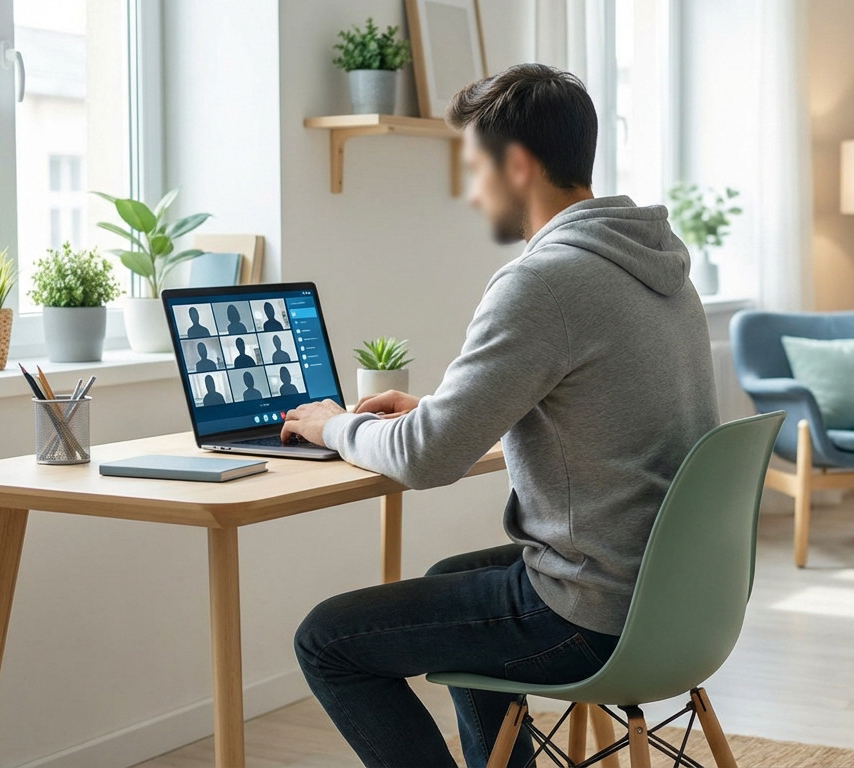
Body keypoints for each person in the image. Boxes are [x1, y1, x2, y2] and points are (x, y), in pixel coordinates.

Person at [281, 63, 717, 767]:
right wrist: (434, 409)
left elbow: (426, 459)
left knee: (326, 640)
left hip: (593, 613)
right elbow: (595, 405)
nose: (472, 194)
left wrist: (333, 424)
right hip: (679, 598)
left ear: (517, 166)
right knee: (448, 576)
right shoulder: (659, 269)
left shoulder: (544, 281)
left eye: (475, 170)